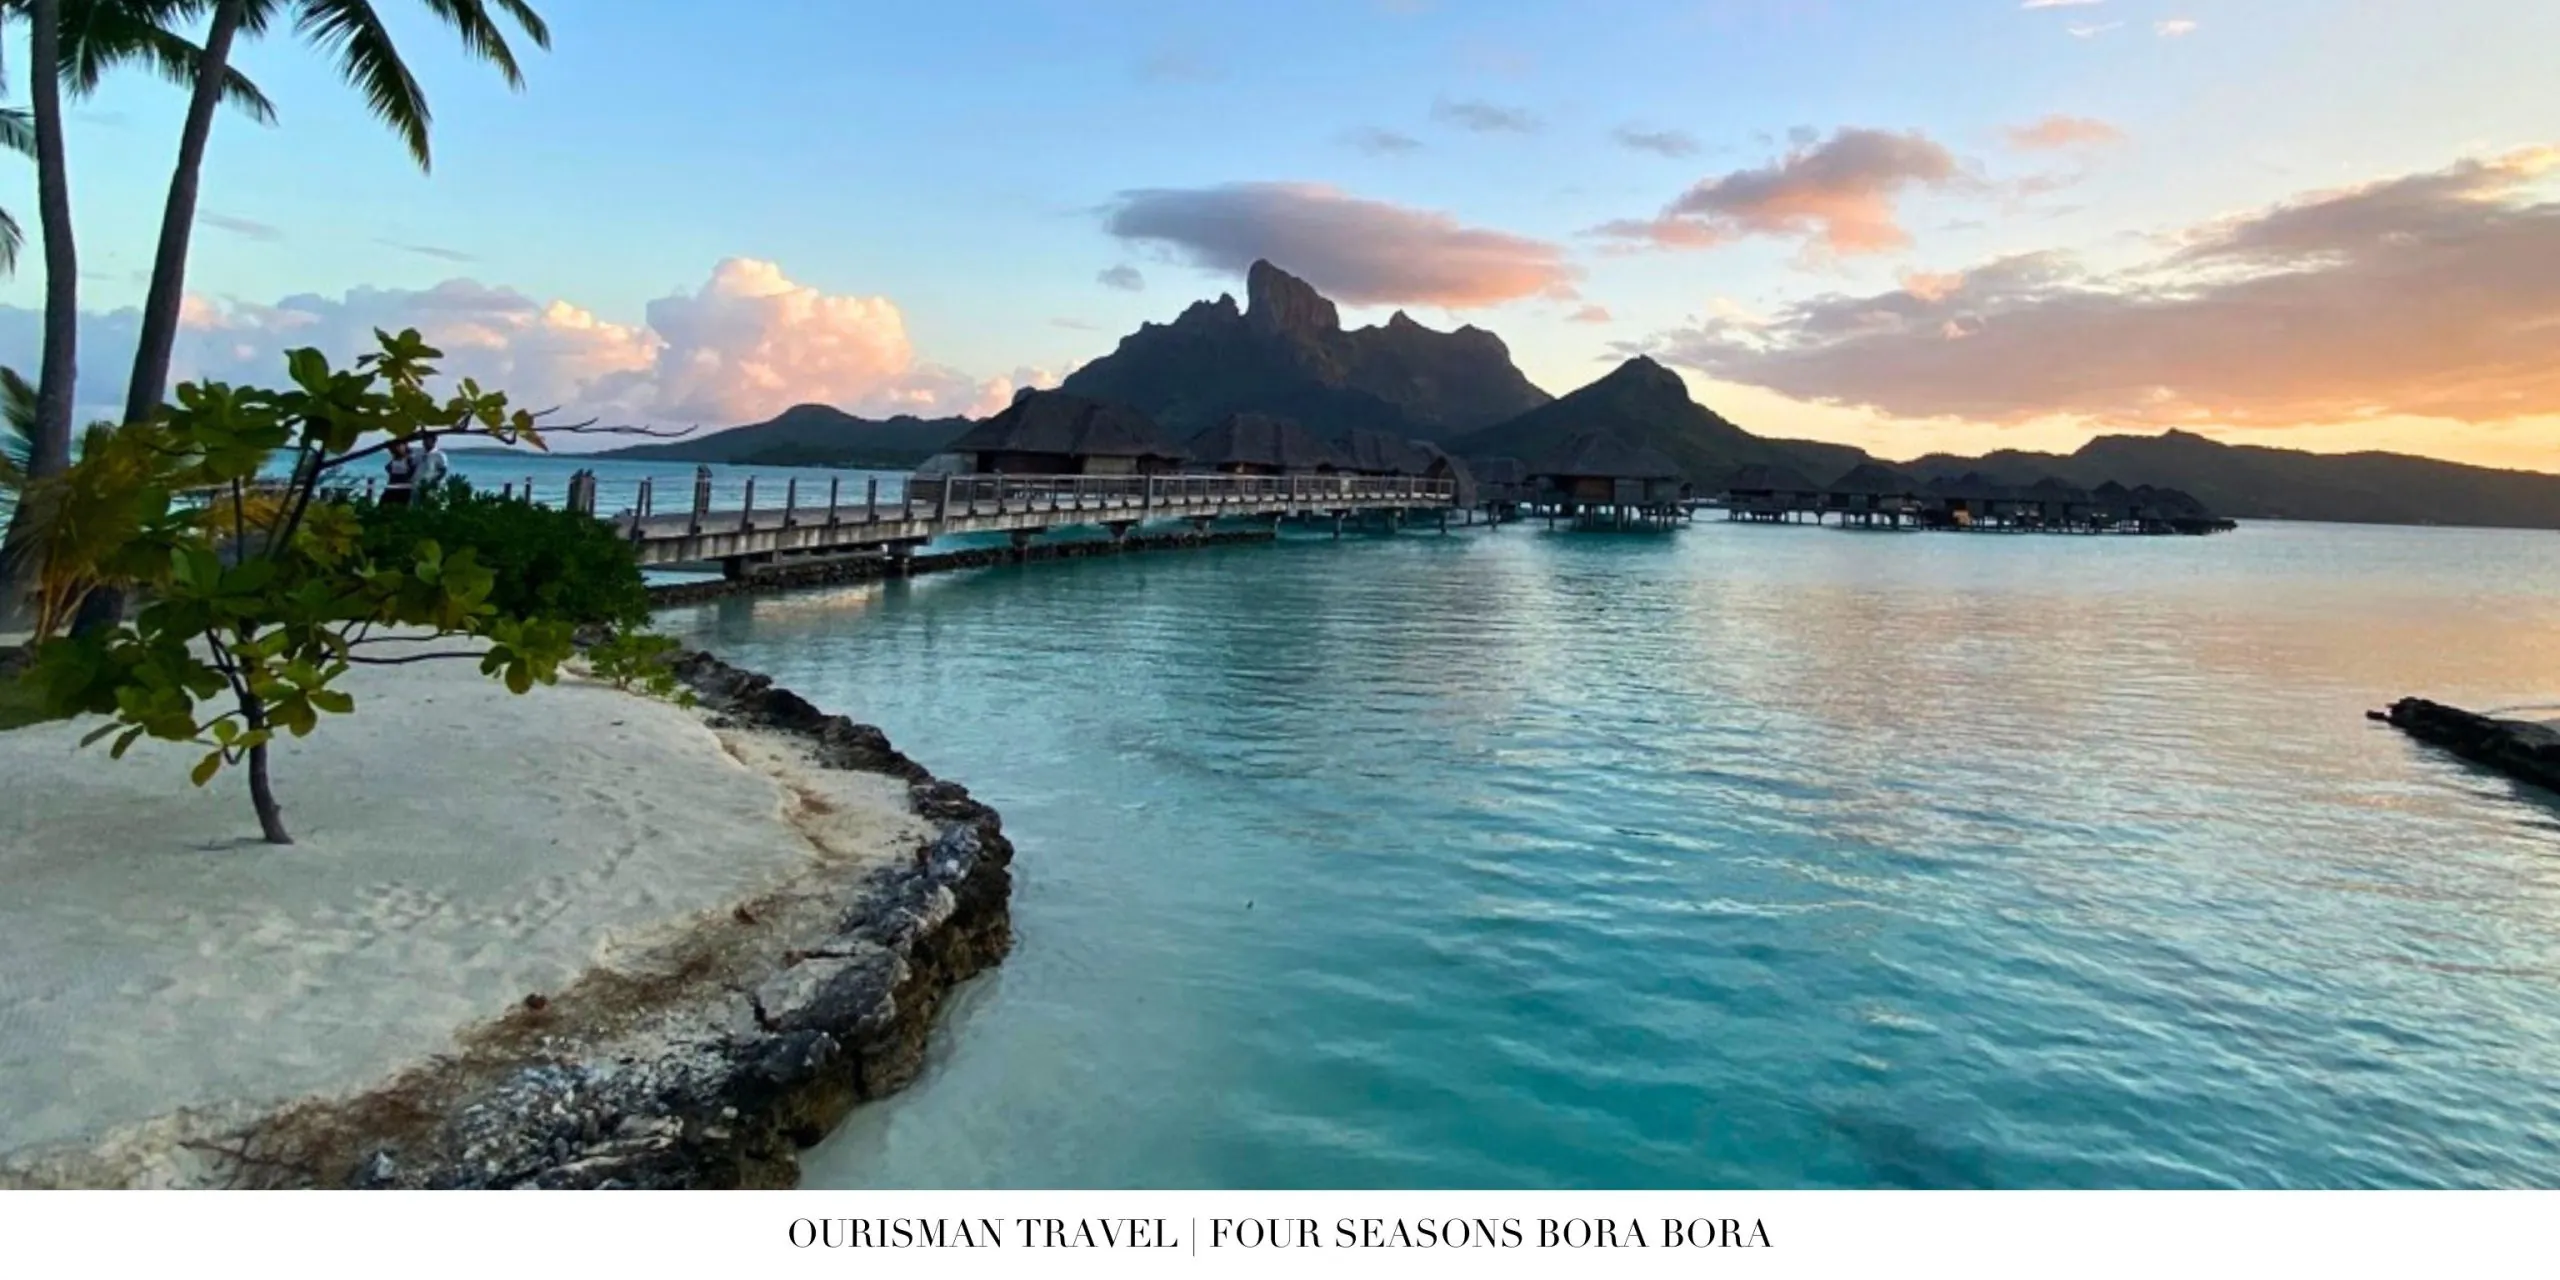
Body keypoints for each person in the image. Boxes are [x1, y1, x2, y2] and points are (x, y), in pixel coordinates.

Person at [383, 440, 418, 507]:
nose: (398, 448)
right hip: (392, 487)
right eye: (397, 446)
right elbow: (388, 468)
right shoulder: (395, 458)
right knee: (384, 507)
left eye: (399, 446)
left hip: (404, 489)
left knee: (401, 509)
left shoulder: (409, 459)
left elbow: (411, 472)